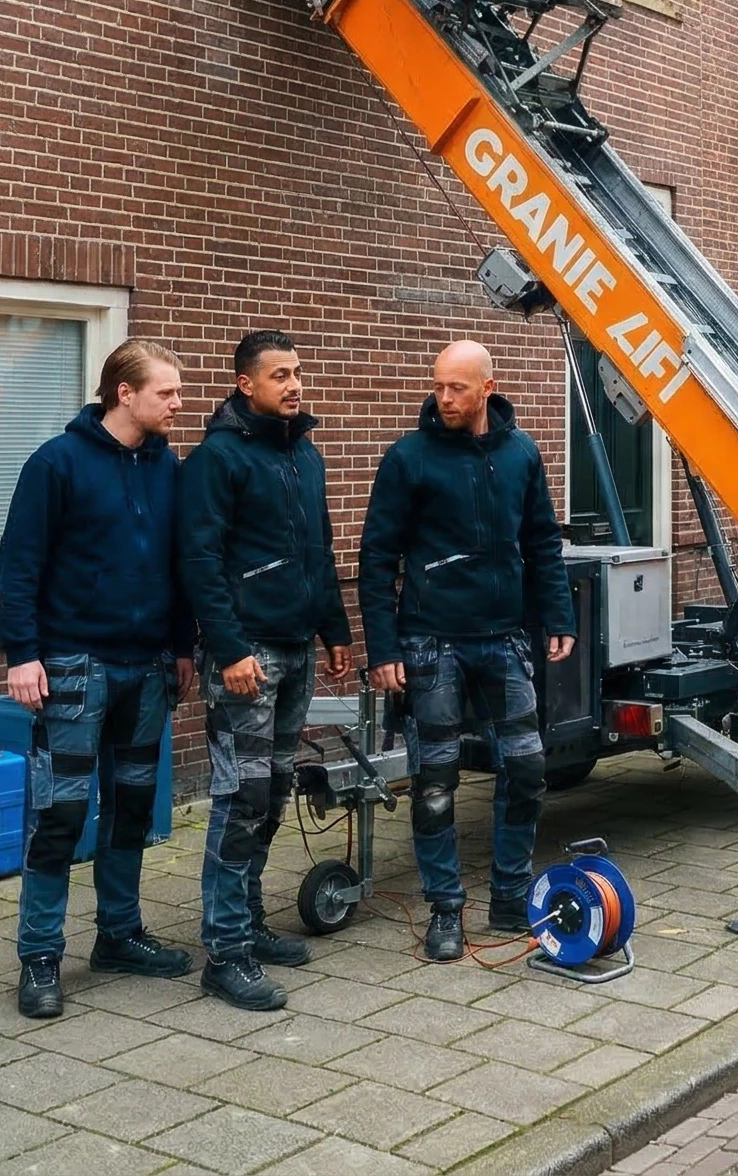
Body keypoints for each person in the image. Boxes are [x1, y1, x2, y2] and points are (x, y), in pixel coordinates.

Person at [0, 339, 198, 1020]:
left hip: (147, 669)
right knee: (61, 815)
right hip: (74, 666)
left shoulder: (168, 468)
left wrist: (182, 648)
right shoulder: (57, 464)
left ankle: (119, 935)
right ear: (125, 394)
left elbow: (178, 567)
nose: (179, 403)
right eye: (167, 392)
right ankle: (41, 956)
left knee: (133, 808)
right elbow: (19, 565)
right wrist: (23, 654)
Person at [357, 341, 576, 961]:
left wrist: (557, 614)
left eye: (457, 388)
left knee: (529, 769)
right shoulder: (410, 458)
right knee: (435, 781)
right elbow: (377, 559)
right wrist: (383, 647)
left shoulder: (521, 453)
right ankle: (445, 910)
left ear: (487, 387)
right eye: (438, 387)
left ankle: (509, 895)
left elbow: (542, 542)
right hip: (432, 642)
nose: (444, 399)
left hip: (506, 637)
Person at [176, 329, 354, 1012]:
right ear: (245, 384)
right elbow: (200, 564)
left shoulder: (304, 455)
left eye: (297, 373)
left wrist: (333, 630)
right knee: (239, 798)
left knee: (274, 792)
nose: (294, 385)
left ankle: (247, 922)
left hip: (297, 647)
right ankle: (224, 954)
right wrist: (229, 649)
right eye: (280, 375)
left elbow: (319, 549)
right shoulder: (218, 459)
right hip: (247, 655)